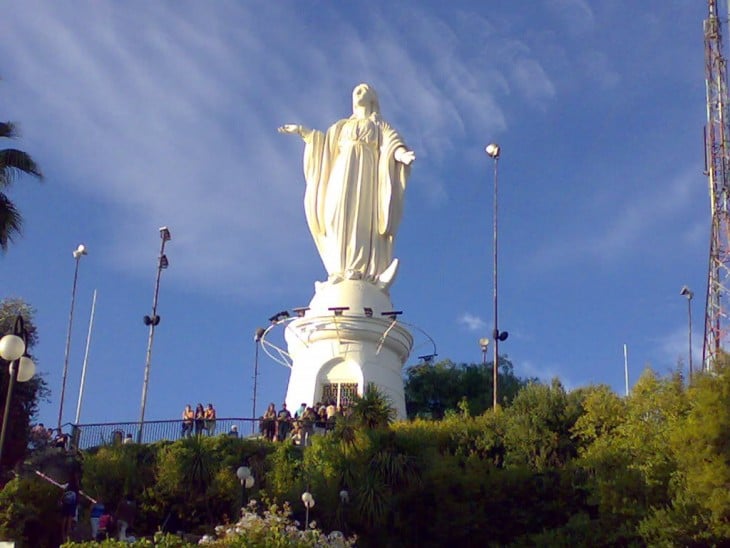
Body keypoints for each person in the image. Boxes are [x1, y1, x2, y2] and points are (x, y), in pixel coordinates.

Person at [279, 83, 415, 289]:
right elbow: (323, 146)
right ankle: (338, 270)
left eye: (362, 90)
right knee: (334, 214)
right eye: (355, 92)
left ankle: (359, 269)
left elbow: (392, 144)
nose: (357, 94)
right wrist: (303, 132)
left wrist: (402, 155)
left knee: (360, 219)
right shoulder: (341, 127)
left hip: (367, 174)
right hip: (341, 171)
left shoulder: (379, 126)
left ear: (372, 98)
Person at [60, 476, 80, 541]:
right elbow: (77, 497)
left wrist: (61, 500)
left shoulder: (67, 486)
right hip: (72, 504)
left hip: (66, 503)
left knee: (64, 519)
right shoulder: (76, 487)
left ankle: (63, 534)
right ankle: (67, 535)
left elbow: (63, 494)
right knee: (69, 519)